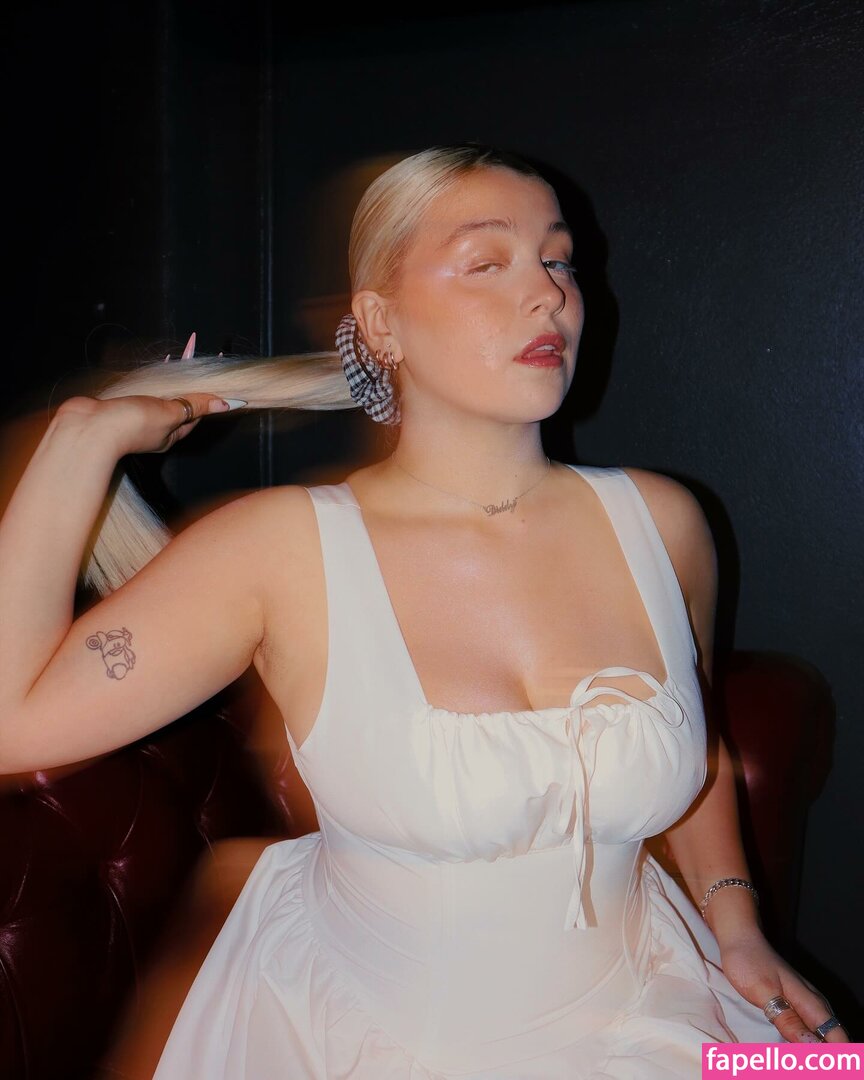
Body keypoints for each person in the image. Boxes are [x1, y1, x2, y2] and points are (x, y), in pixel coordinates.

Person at [0, 145, 848, 1078]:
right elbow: (13, 725)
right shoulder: (281, 549)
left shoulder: (665, 521)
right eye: (487, 262)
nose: (549, 295)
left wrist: (738, 928)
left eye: (558, 260)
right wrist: (78, 446)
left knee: (829, 1068)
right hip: (367, 1039)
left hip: (656, 1005)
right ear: (381, 321)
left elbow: (700, 741)